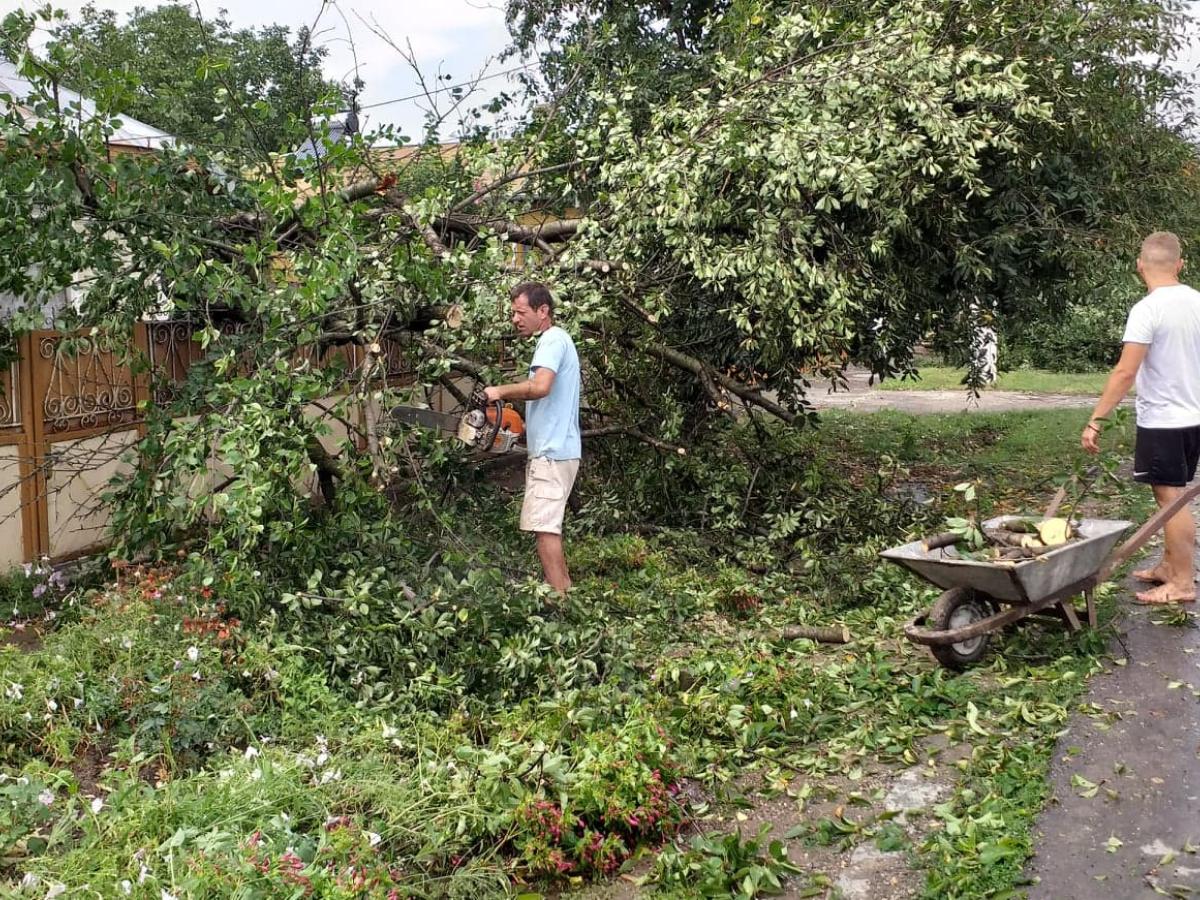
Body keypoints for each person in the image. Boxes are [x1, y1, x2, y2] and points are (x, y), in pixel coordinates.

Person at [1082, 231, 1200, 604]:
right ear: (1180, 265)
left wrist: (1097, 419)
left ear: (1139, 266)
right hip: (1193, 418)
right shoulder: (1197, 302)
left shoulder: (1147, 309)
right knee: (1171, 494)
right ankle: (1168, 567)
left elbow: (1125, 372)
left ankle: (1183, 583)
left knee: (1171, 500)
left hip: (1164, 420)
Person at [484, 282, 581, 594]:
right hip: (555, 450)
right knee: (546, 526)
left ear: (543, 311)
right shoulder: (556, 340)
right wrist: (519, 426)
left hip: (552, 454)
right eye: (513, 313)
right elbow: (548, 400)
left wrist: (499, 391)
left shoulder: (552, 340)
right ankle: (565, 591)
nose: (515, 319)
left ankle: (561, 598)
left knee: (544, 528)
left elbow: (540, 387)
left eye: (520, 312)